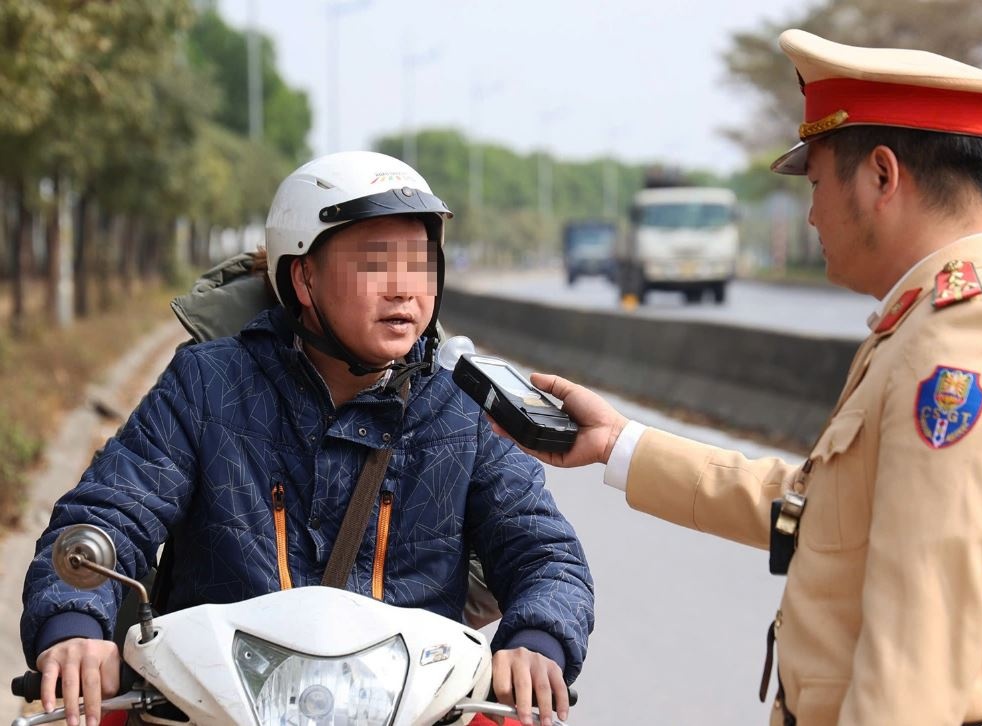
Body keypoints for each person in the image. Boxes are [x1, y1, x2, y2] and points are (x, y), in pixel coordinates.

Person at [501, 30, 982, 725]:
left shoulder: (967, 348)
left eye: (815, 185)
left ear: (880, 176)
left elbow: (915, 660)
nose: (809, 214)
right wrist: (618, 443)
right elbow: (817, 509)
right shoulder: (930, 321)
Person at [21, 151, 594, 726]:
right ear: (304, 277)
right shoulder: (206, 385)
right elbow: (108, 515)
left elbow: (545, 553)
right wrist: (74, 624)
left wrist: (539, 637)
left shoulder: (462, 409)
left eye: (420, 264)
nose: (404, 290)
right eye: (374, 265)